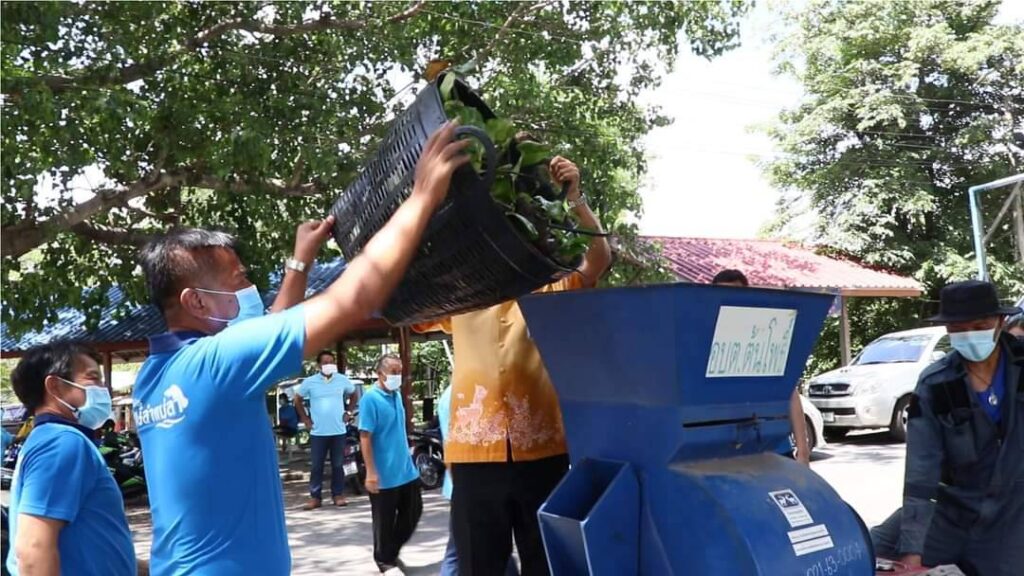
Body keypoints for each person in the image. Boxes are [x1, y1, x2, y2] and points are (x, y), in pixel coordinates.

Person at [131, 122, 469, 576]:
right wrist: (422, 196)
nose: (249, 289)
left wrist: (300, 262)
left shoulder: (156, 374)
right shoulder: (215, 364)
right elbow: (353, 299)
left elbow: (269, 327)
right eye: (240, 280)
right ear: (196, 302)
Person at [415, 153, 612, 575]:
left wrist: (575, 198)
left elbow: (598, 259)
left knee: (546, 562)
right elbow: (412, 303)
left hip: (542, 450)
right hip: (473, 454)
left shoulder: (552, 282)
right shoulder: (461, 290)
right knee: (478, 564)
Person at [870, 280, 1023, 575]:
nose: (970, 335)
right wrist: (912, 552)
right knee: (868, 549)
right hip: (956, 507)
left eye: (979, 326)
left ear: (1000, 322)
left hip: (1014, 511)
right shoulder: (936, 384)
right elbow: (921, 472)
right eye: (958, 329)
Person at [6, 341, 146, 576]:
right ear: (55, 387)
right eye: (93, 378)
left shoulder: (50, 438)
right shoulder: (62, 442)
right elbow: (33, 549)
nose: (104, 389)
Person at [711, 269, 813, 465]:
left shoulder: (768, 335)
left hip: (773, 445)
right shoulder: (707, 338)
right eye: (722, 294)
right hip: (726, 448)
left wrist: (803, 451)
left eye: (736, 294)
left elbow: (790, 392)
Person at [437, 384, 519, 576]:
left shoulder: (455, 394)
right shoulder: (460, 395)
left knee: (481, 545)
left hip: (463, 483)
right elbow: (453, 443)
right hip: (466, 483)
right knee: (459, 550)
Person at [359, 354, 423, 575]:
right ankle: (384, 560)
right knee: (384, 521)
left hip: (406, 470)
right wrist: (370, 472)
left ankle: (390, 552)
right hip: (383, 474)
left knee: (413, 512)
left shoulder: (396, 395)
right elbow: (365, 436)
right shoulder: (370, 399)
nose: (398, 376)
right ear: (380, 374)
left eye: (400, 372)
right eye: (394, 372)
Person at [295, 350, 357, 509]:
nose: (329, 365)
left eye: (331, 362)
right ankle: (315, 497)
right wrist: (305, 419)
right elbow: (297, 399)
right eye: (325, 362)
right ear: (318, 365)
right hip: (318, 432)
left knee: (338, 465)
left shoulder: (342, 380)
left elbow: (354, 394)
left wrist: (348, 412)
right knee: (317, 466)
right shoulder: (310, 382)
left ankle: (338, 495)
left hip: (338, 430)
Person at [276, 392, 299, 462]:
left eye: (281, 399)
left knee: (274, 431)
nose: (280, 401)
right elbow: (282, 423)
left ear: (285, 399)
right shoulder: (280, 410)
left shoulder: (291, 408)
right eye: (279, 399)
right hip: (284, 428)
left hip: (292, 429)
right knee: (271, 431)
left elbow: (284, 421)